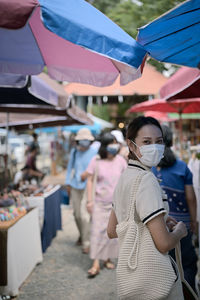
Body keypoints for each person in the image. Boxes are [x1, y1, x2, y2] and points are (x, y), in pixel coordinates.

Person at [107, 116, 187, 299]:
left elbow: (112, 230)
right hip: (155, 281)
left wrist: (155, 221)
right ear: (131, 145)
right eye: (146, 142)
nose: (155, 147)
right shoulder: (146, 179)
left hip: (130, 279)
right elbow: (164, 243)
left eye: (159, 141)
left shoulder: (125, 177)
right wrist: (180, 232)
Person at [152, 125, 198, 291]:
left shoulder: (148, 168)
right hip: (182, 226)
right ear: (171, 141)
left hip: (156, 227)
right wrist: (194, 221)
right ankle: (189, 293)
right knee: (187, 264)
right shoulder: (182, 167)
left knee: (163, 267)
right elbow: (191, 198)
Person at [86, 132, 127, 278]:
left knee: (111, 233)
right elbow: (89, 180)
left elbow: (126, 180)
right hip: (99, 203)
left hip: (116, 205)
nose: (114, 146)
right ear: (104, 146)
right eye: (111, 143)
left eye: (116, 143)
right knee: (97, 232)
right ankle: (96, 263)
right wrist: (89, 201)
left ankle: (107, 258)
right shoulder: (96, 161)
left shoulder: (121, 161)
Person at [65, 128, 97, 253]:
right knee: (76, 215)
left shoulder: (95, 153)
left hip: (88, 187)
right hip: (75, 185)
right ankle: (82, 234)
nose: (84, 143)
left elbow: (96, 170)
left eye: (86, 140)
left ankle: (86, 242)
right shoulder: (74, 152)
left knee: (85, 216)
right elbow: (69, 169)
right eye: (82, 140)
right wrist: (67, 183)